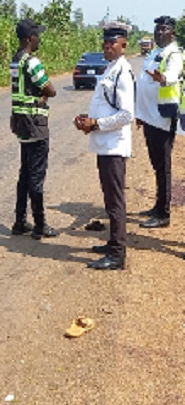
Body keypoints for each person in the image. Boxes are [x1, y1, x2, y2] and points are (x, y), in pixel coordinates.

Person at [74, 21, 135, 270]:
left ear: (123, 45)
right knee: (109, 201)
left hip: (114, 146)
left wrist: (96, 123)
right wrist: (86, 121)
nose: (107, 47)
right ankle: (112, 243)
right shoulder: (111, 68)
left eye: (112, 43)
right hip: (104, 145)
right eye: (105, 43)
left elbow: (126, 115)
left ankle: (117, 254)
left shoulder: (123, 71)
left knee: (115, 201)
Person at [10, 18, 58, 239]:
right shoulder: (31, 62)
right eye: (37, 35)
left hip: (21, 122)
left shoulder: (15, 61)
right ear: (30, 38)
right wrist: (42, 95)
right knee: (36, 176)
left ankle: (20, 221)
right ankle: (40, 224)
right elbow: (51, 90)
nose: (40, 39)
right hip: (35, 124)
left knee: (25, 173)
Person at [135, 15, 183, 229]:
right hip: (148, 116)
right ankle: (158, 205)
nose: (158, 33)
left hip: (163, 116)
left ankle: (163, 213)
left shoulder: (175, 54)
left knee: (163, 165)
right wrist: (139, 112)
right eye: (157, 29)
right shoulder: (154, 52)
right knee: (156, 163)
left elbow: (172, 75)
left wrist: (162, 78)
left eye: (163, 29)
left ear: (172, 32)